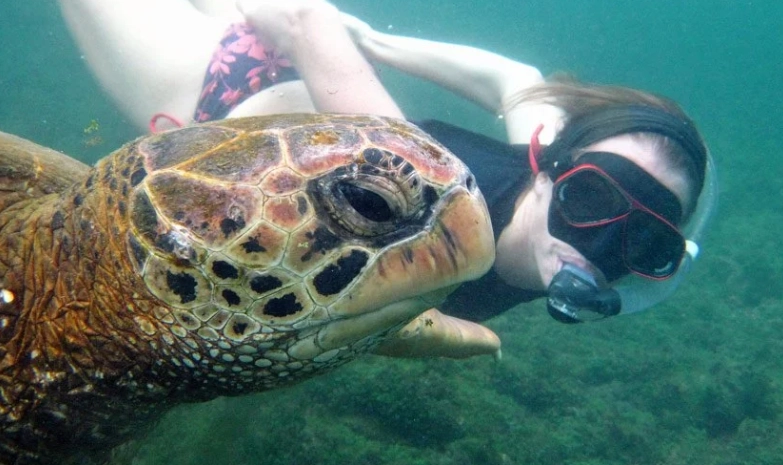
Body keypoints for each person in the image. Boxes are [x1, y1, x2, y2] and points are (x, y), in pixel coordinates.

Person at [57, 0, 715, 327]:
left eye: (645, 239)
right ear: (548, 169)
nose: (600, 246)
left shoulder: (548, 157)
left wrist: (373, 46)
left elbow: (517, 80)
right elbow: (305, 17)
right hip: (218, 88)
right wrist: (351, 46)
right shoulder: (411, 181)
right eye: (593, 199)